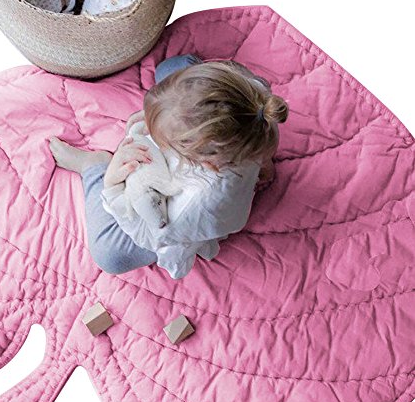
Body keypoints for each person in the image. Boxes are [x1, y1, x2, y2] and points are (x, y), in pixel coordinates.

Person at [49, 54, 289, 279]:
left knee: (110, 256)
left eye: (166, 139)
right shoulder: (256, 99)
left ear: (204, 160)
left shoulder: (194, 205)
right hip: (241, 152)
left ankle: (93, 166)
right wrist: (159, 116)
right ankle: (254, 160)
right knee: (171, 69)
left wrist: (111, 184)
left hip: (189, 220)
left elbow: (149, 235)